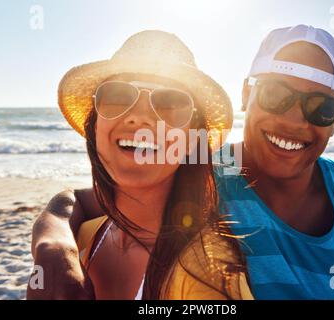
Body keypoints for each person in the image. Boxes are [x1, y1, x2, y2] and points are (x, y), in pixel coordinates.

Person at [30, 25, 334, 300]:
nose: (294, 121)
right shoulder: (203, 169)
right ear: (247, 93)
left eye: (321, 108)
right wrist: (54, 249)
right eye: (277, 95)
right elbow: (80, 201)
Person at [27, 30, 252, 300]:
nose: (140, 117)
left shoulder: (206, 273)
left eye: (171, 103)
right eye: (118, 95)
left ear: (193, 140)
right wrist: (52, 246)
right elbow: (71, 201)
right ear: (95, 124)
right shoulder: (86, 235)